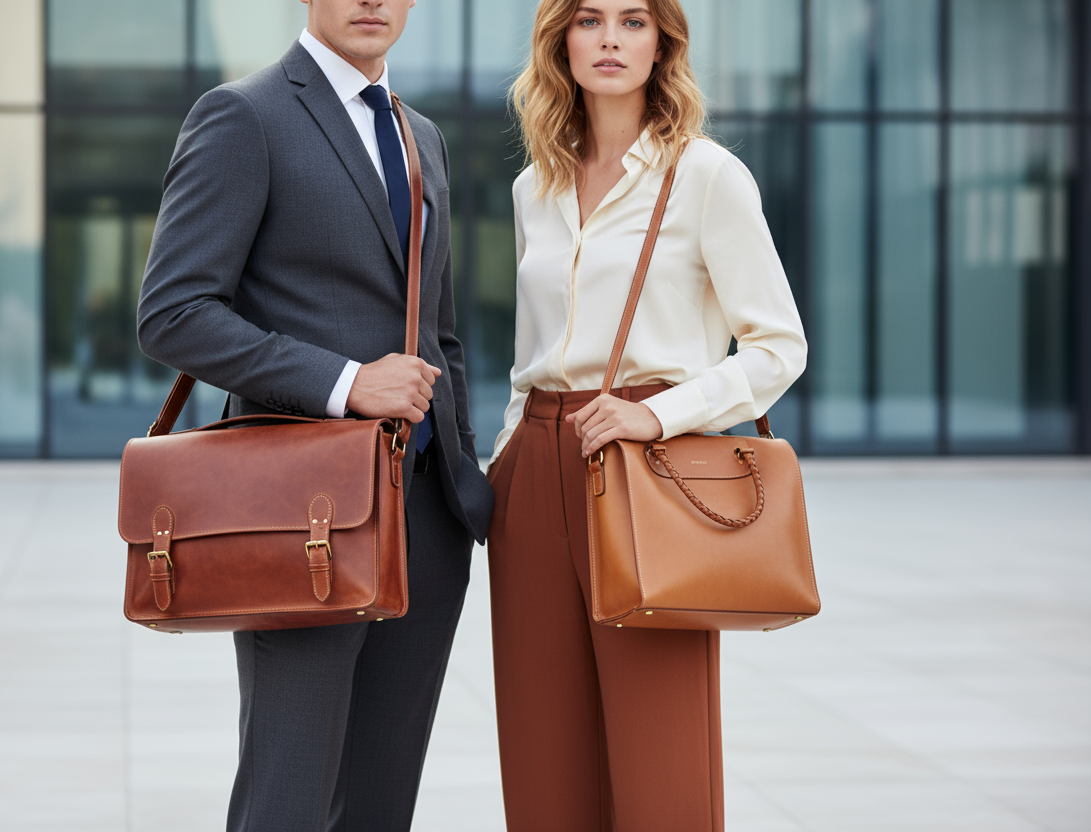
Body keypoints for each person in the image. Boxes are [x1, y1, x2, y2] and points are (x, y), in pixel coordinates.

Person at [135, 0, 493, 829]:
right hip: (305, 517)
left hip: (427, 521)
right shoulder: (243, 116)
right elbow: (174, 313)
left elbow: (438, 332)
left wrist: (465, 476)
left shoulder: (419, 134)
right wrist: (344, 382)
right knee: (288, 798)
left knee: (380, 803)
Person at [486, 0, 808, 829]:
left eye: (634, 20)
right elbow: (532, 358)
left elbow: (778, 347)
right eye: (590, 20)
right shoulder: (535, 187)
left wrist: (660, 415)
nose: (611, 40)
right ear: (561, 37)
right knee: (541, 752)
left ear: (663, 41)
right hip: (535, 467)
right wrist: (503, 464)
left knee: (661, 752)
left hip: (644, 466)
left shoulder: (707, 176)